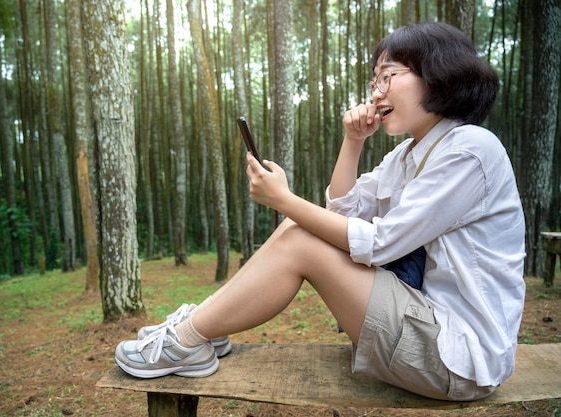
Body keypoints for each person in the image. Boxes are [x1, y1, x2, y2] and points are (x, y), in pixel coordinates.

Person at [114, 21, 525, 401]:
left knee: (300, 237)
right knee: (301, 229)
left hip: (460, 357)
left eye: (388, 75)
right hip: (425, 328)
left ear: (439, 74)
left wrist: (284, 200)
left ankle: (188, 338)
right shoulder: (409, 154)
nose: (376, 91)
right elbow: (344, 211)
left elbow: (379, 243)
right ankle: (203, 329)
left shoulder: (470, 149)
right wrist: (353, 142)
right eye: (374, 79)